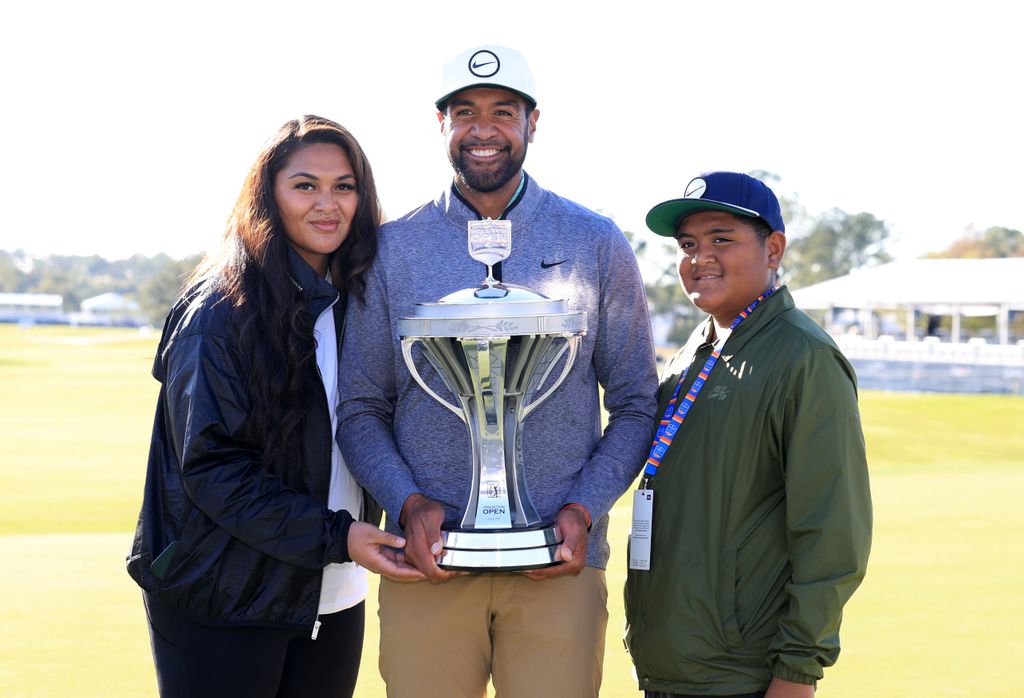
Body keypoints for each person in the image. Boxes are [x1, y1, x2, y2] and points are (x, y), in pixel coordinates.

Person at [337, 45, 659, 697]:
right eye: (465, 113)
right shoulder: (389, 248)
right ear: (441, 125)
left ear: (532, 123)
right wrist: (409, 503)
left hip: (558, 566)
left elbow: (634, 403)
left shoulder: (595, 242)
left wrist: (583, 509)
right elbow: (361, 408)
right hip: (428, 564)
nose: (483, 130)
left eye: (502, 112)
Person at [125, 115, 424, 698]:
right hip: (225, 596)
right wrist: (339, 536)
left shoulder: (354, 304)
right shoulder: (220, 312)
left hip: (335, 596)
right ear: (269, 195)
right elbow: (214, 471)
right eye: (305, 185)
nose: (327, 204)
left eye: (344, 186)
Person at [623, 171, 872, 698]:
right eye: (687, 244)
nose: (699, 257)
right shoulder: (699, 346)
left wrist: (798, 672)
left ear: (774, 248)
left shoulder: (805, 358)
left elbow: (832, 531)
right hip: (671, 665)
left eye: (721, 239)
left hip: (743, 676)